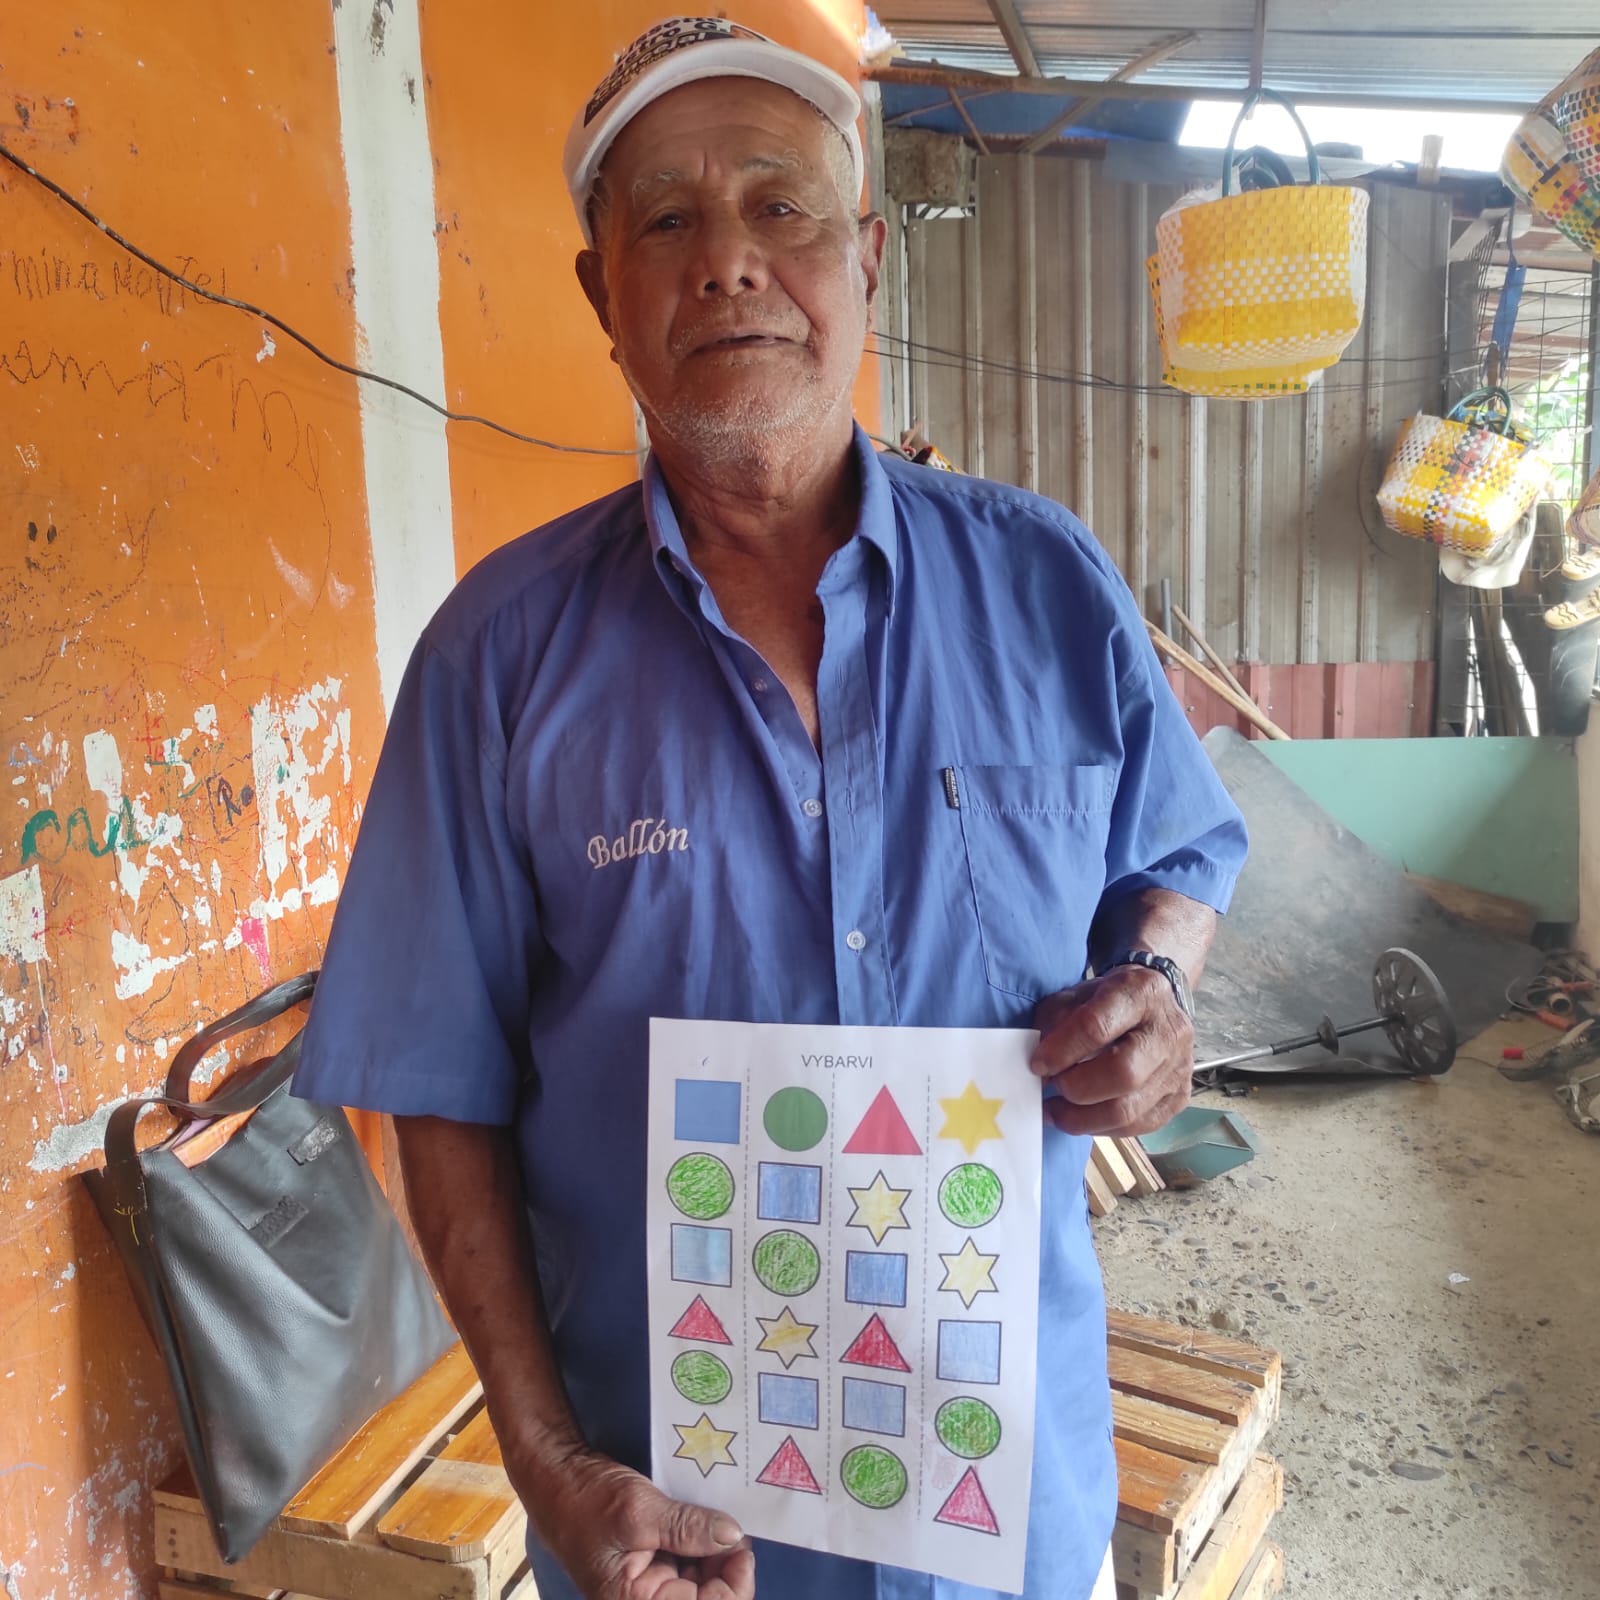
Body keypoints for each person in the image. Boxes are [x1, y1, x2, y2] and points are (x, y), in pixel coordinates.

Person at [294, 18, 1248, 1600]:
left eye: (779, 204)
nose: (727, 259)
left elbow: (1177, 857)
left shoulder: (1045, 584)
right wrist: (544, 1460)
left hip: (1013, 1518)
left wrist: (1154, 984)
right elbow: (436, 1094)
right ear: (602, 295)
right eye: (666, 219)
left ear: (865, 255)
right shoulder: (498, 660)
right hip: (683, 1548)